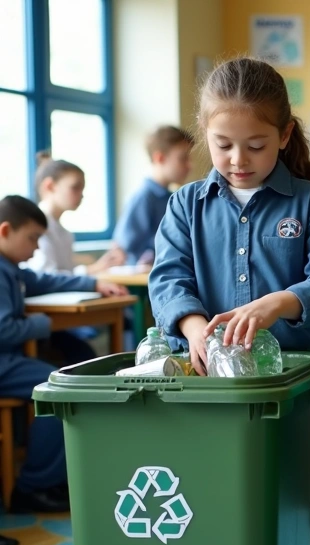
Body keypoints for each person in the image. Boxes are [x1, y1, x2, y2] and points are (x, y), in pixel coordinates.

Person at [147, 57, 310, 545]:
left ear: (285, 136)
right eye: (223, 145)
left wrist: (279, 302)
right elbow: (168, 280)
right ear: (203, 137)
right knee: (207, 514)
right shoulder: (187, 204)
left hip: (291, 396)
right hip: (209, 396)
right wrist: (191, 329)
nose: (239, 161)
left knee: (291, 522)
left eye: (257, 145)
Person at [0, 195, 127, 521]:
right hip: (4, 362)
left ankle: (53, 479)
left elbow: (44, 280)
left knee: (67, 373)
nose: (36, 249)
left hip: (11, 360)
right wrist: (44, 324)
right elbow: (3, 330)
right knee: (58, 390)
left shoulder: (11, 268)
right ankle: (33, 487)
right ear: (5, 232)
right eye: (31, 239)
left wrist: (94, 281)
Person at [110, 126, 195, 266]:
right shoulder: (143, 198)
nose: (190, 166)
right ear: (160, 158)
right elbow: (123, 248)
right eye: (183, 158)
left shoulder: (174, 198)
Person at [27, 153, 122, 276]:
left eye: (82, 189)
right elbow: (47, 275)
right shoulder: (36, 227)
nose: (81, 195)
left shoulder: (63, 232)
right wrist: (93, 269)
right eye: (75, 187)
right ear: (50, 186)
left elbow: (65, 271)